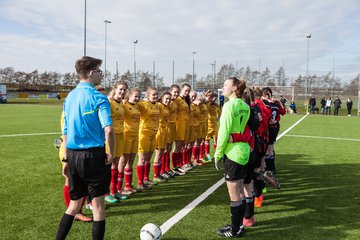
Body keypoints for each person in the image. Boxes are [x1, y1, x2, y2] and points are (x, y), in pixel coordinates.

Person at [55, 56, 114, 240]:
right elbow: (109, 129)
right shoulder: (98, 97)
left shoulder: (70, 97)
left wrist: (65, 157)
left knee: (73, 205)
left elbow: (65, 131)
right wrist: (110, 153)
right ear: (91, 73)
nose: (101, 74)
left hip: (72, 155)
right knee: (98, 207)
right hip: (93, 155)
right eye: (99, 70)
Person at [214, 77, 250, 238]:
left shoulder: (229, 106)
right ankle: (239, 225)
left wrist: (218, 154)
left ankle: (235, 230)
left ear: (235, 88)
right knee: (240, 193)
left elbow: (223, 133)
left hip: (233, 154)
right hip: (243, 151)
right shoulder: (245, 105)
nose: (222, 88)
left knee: (234, 196)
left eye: (225, 85)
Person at [55, 112, 92, 222]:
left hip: (81, 146)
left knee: (84, 179)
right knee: (70, 179)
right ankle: (74, 212)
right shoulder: (71, 108)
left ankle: (77, 210)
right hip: (70, 147)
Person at [106, 81, 128, 203]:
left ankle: (114, 191)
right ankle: (106, 192)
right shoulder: (109, 102)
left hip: (120, 135)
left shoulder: (122, 104)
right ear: (115, 89)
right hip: (110, 137)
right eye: (120, 89)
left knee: (115, 165)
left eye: (124, 90)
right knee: (107, 166)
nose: (122, 92)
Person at [136, 87, 160, 190]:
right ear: (148, 96)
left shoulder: (156, 105)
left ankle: (146, 179)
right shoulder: (143, 104)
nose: (155, 96)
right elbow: (133, 102)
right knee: (142, 159)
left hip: (153, 134)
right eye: (153, 95)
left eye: (156, 94)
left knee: (148, 159)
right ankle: (140, 183)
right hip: (144, 134)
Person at [121, 88, 141, 195]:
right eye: (135, 96)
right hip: (126, 136)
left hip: (135, 136)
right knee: (123, 162)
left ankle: (128, 185)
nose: (137, 98)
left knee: (131, 162)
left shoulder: (137, 106)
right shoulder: (124, 106)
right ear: (129, 96)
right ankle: (118, 188)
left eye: (138, 96)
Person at [153, 91, 171, 183]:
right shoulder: (159, 105)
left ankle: (160, 173)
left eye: (169, 99)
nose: (168, 100)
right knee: (159, 153)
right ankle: (156, 175)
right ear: (162, 98)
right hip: (159, 131)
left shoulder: (165, 107)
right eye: (166, 99)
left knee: (162, 153)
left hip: (164, 131)